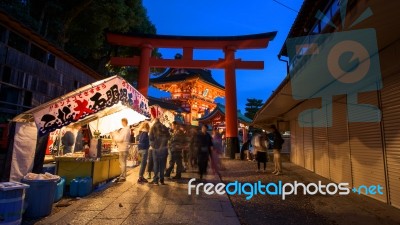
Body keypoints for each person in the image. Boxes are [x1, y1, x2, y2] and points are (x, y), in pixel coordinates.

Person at [149, 118, 170, 185]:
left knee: (156, 164)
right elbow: (169, 137)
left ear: (155, 121)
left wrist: (153, 146)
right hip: (163, 149)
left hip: (156, 149)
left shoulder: (153, 128)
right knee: (162, 165)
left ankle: (155, 180)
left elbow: (150, 138)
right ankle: (162, 180)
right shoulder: (164, 127)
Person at [111, 118, 131, 182]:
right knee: (124, 162)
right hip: (124, 148)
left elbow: (120, 139)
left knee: (122, 163)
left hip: (122, 148)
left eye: (121, 122)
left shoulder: (125, 129)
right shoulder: (127, 129)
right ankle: (123, 176)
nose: (121, 123)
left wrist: (114, 134)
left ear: (123, 122)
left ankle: (122, 176)